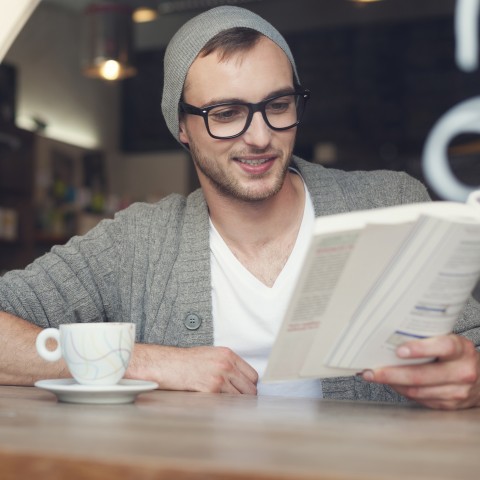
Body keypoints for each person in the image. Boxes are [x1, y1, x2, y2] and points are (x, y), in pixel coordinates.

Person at [1, 6, 479, 410]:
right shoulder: (136, 242)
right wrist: (146, 362)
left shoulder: (390, 203)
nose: (260, 136)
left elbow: (471, 348)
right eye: (225, 114)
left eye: (278, 104)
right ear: (182, 127)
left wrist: (470, 378)